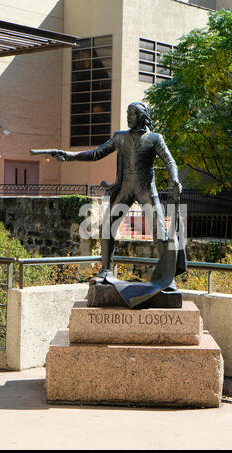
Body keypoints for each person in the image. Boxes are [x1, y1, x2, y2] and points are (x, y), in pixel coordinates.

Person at [51, 102, 186, 307]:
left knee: (160, 231)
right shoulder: (119, 137)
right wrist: (69, 156)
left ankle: (168, 278)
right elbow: (96, 153)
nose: (128, 117)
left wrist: (175, 179)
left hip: (146, 189)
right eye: (127, 113)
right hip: (123, 188)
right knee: (108, 226)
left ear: (142, 116)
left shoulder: (154, 138)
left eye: (132, 114)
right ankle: (106, 269)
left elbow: (169, 160)